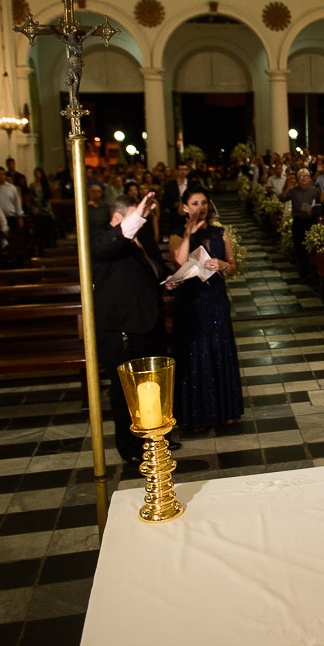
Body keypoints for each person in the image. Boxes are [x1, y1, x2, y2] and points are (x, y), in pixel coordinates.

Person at [92, 193, 178, 464]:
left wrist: (169, 279)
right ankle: (129, 446)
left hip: (149, 322)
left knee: (153, 387)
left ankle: (156, 437)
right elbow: (108, 245)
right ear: (118, 218)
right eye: (136, 217)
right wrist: (136, 218)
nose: (142, 222)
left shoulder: (144, 239)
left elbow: (156, 270)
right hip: (121, 331)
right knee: (124, 391)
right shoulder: (103, 240)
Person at [170, 186, 243, 431]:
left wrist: (223, 264)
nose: (200, 208)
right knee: (195, 355)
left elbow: (233, 266)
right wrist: (189, 234)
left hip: (216, 300)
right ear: (184, 208)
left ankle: (225, 411)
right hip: (191, 303)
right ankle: (196, 414)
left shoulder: (220, 233)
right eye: (194, 203)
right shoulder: (177, 235)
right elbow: (180, 261)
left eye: (203, 203)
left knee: (219, 352)